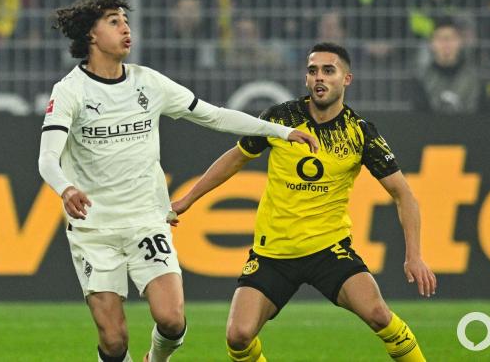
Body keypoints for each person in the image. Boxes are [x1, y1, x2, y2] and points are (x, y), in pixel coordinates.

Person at [37, 0, 319, 362]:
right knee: (114, 340)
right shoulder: (71, 91)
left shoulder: (148, 83)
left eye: (126, 20)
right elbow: (47, 159)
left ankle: (157, 359)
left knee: (171, 319)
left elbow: (215, 115)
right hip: (95, 230)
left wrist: (278, 131)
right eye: (114, 22)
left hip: (146, 221)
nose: (126, 28)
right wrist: (66, 187)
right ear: (91, 36)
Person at [171, 42, 436, 361]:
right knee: (238, 336)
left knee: (379, 315)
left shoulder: (359, 132)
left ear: (346, 79)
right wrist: (187, 199)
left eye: (328, 70)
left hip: (329, 250)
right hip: (273, 254)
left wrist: (415, 256)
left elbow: (403, 193)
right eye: (313, 71)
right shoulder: (280, 119)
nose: (319, 77)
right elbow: (236, 158)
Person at [412, 18, 490, 113]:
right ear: (431, 44)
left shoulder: (476, 79)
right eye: (440, 38)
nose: (446, 44)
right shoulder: (420, 79)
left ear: (460, 42)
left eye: (451, 38)